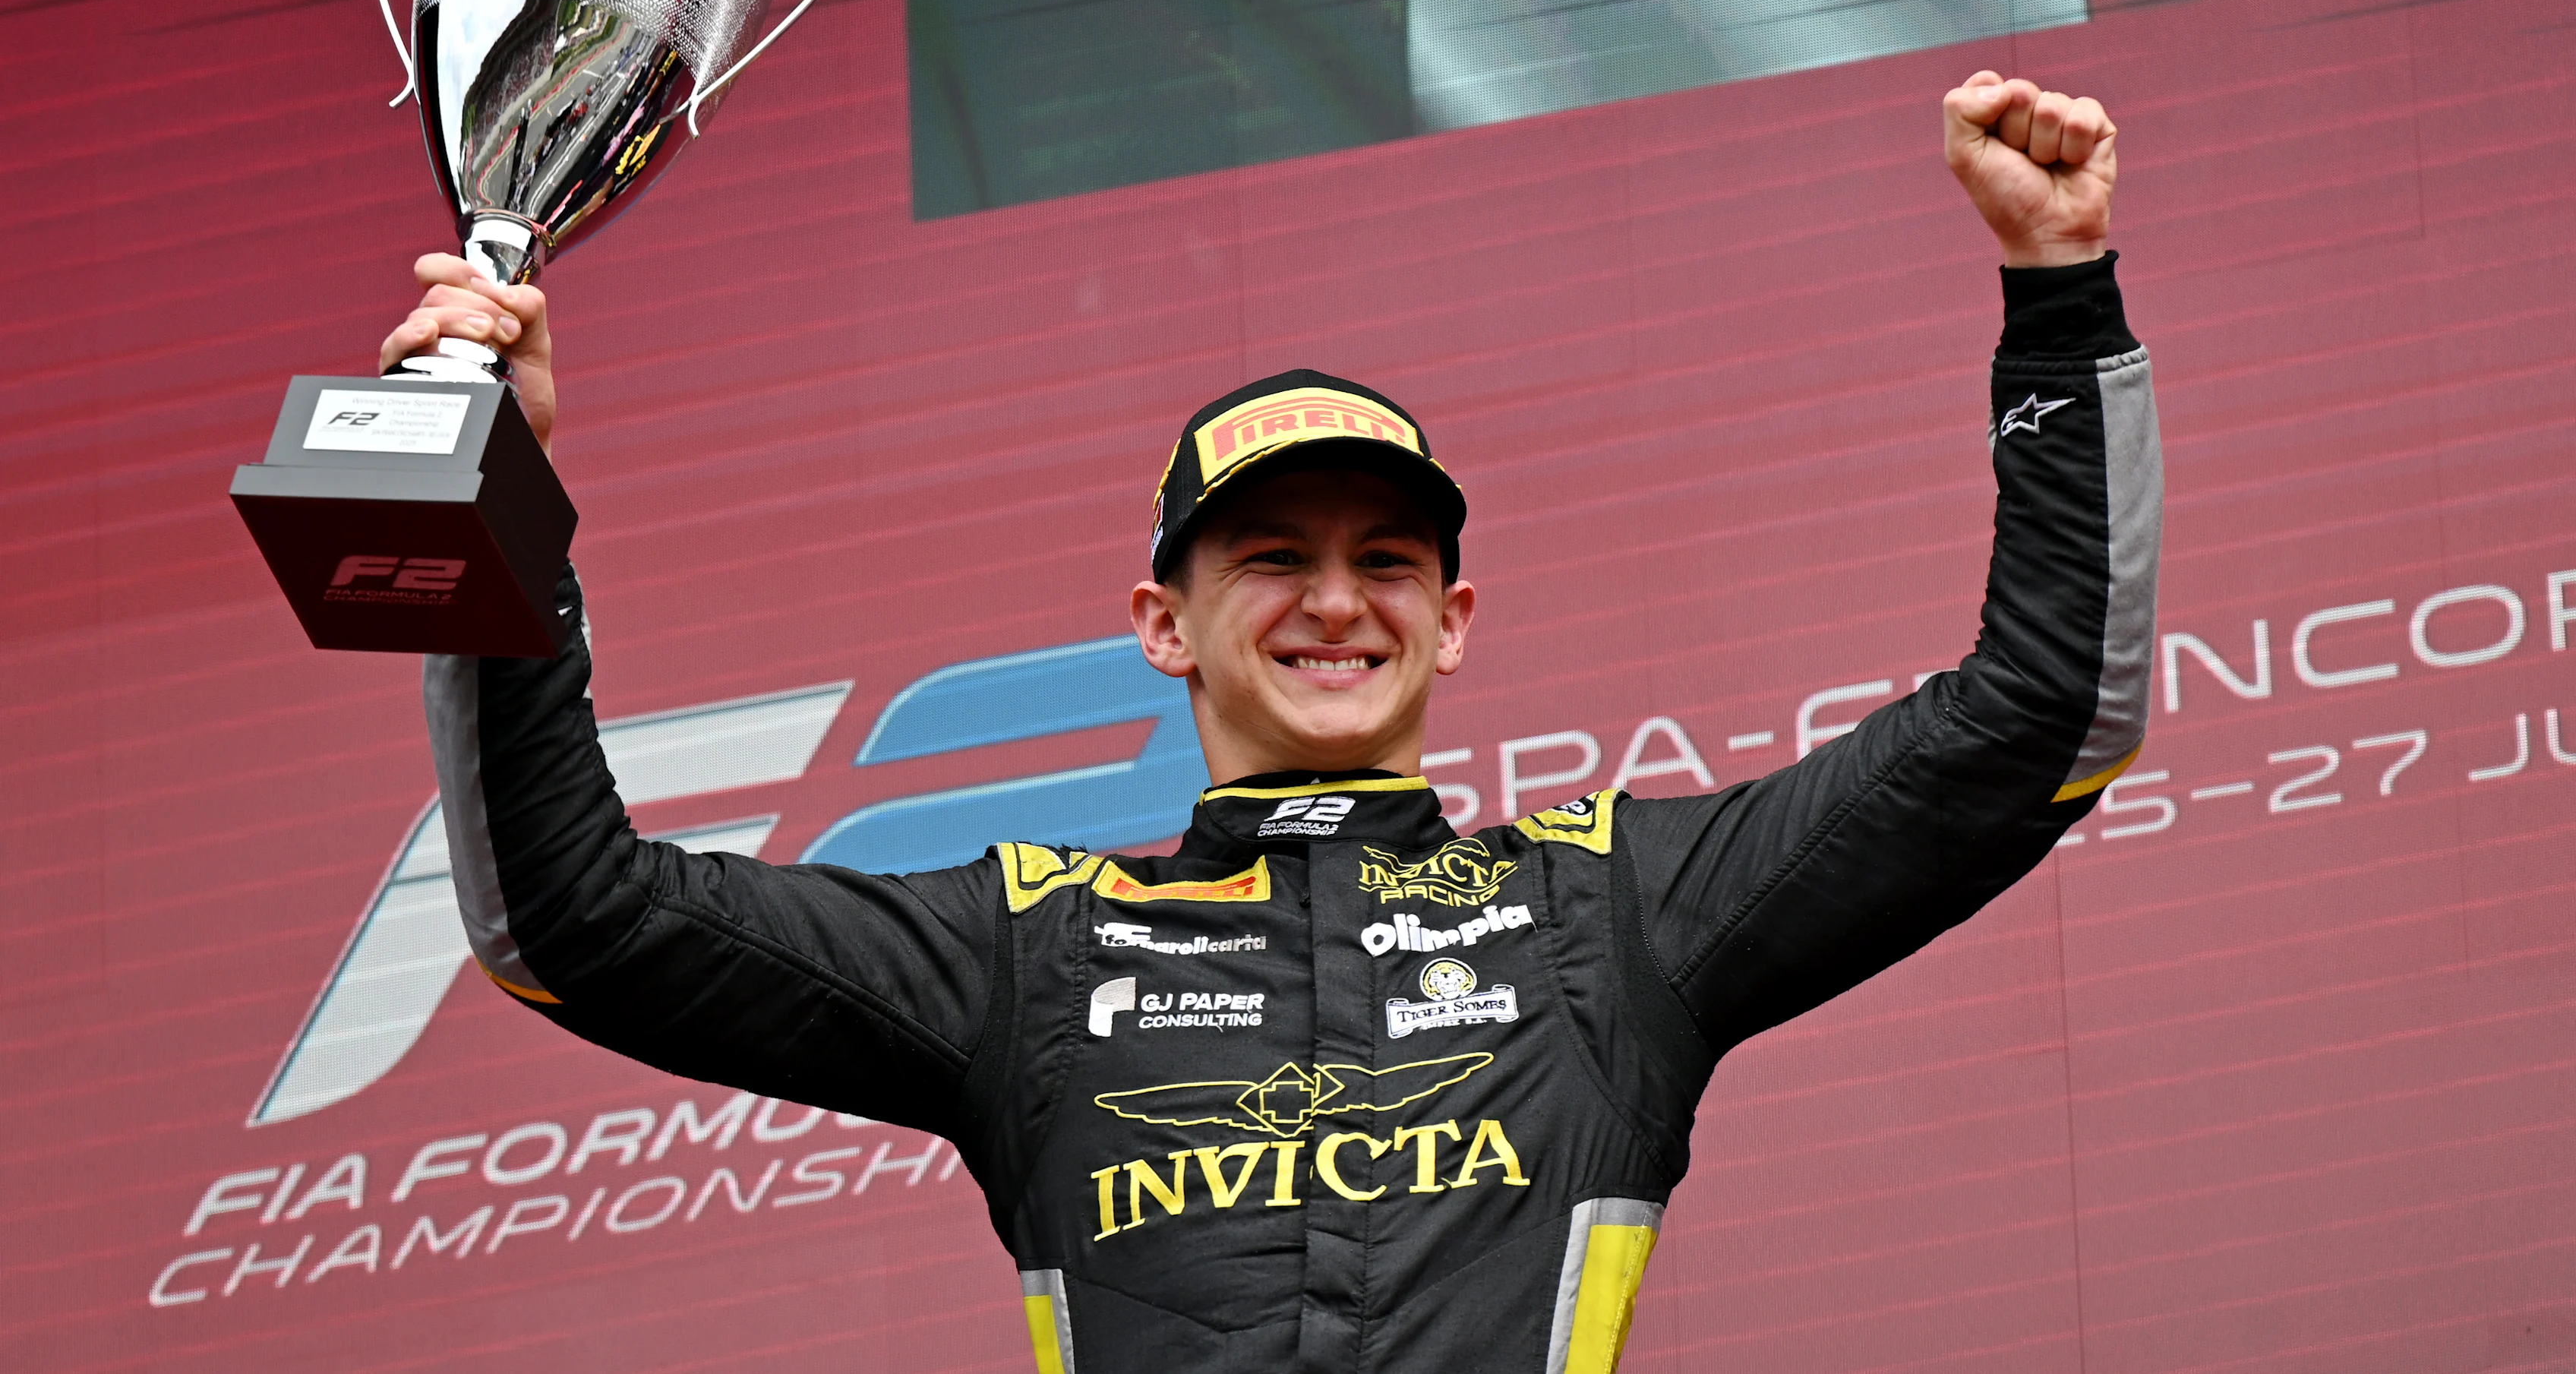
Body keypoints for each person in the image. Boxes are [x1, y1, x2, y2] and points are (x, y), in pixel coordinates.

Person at [380, 72, 2158, 1372]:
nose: (1333, 603)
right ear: (1163, 626)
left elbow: (2035, 723)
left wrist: (2056, 295)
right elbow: (573, 924)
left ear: (1453, 624)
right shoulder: (1031, 950)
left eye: (1387, 561)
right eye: (1269, 561)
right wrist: (495, 498)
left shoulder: (1610, 913)